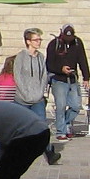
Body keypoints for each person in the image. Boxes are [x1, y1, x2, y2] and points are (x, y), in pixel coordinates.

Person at [14, 27, 61, 165]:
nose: (39, 42)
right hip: (22, 99)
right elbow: (18, 77)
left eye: (40, 39)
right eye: (36, 39)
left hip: (38, 99)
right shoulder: (20, 57)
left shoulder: (40, 57)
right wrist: (26, 94)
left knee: (41, 126)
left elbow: (43, 76)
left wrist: (40, 92)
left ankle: (48, 152)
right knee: (21, 128)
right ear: (28, 41)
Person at [46, 23, 90, 141]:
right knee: (60, 106)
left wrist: (86, 77)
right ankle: (61, 131)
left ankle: (64, 125)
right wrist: (60, 69)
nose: (69, 40)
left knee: (76, 106)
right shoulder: (54, 44)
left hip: (72, 79)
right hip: (59, 80)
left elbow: (82, 59)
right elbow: (49, 64)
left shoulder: (77, 42)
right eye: (67, 38)